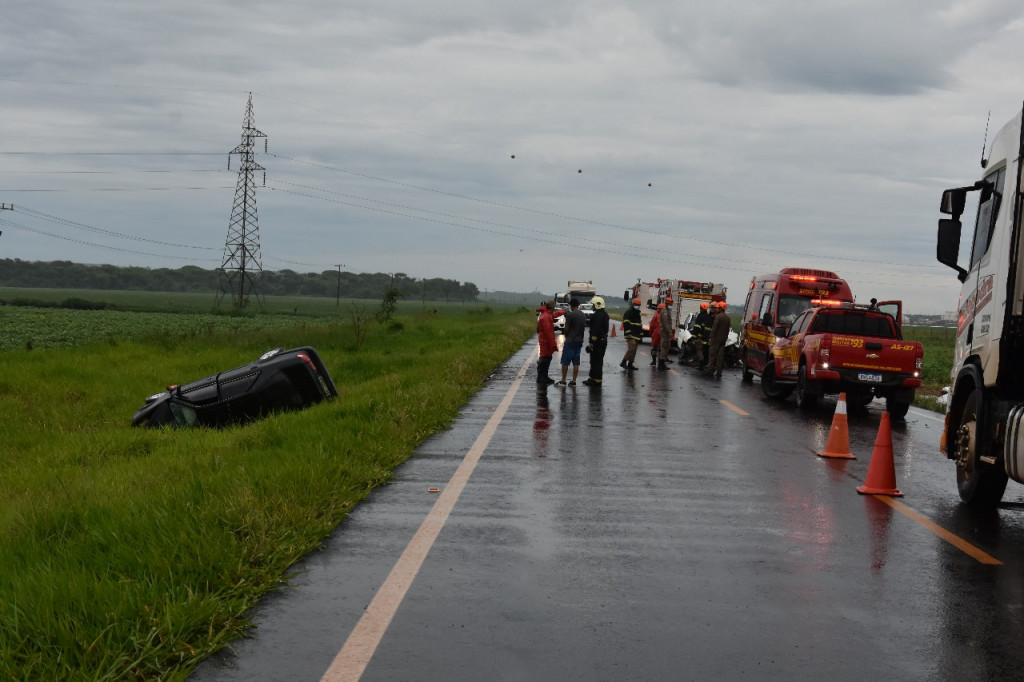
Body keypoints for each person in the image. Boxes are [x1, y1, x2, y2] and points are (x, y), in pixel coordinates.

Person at [556, 298, 587, 386]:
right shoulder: (583, 315)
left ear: (571, 305)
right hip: (579, 341)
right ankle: (573, 381)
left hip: (570, 340)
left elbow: (566, 328)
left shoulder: (570, 315)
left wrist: (565, 333)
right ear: (578, 305)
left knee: (565, 361)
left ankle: (563, 380)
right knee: (576, 362)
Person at [583, 296, 610, 386]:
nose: (592, 306)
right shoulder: (604, 314)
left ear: (597, 305)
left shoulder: (597, 315)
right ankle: (592, 378)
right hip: (602, 340)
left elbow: (596, 330)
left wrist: (592, 343)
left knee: (596, 361)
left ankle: (596, 380)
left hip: (598, 342)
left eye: (593, 304)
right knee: (596, 360)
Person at [707, 301, 732, 379]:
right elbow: (728, 330)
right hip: (723, 340)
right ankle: (719, 372)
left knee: (712, 355)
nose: (716, 309)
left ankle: (710, 370)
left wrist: (711, 337)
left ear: (721, 308)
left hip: (716, 340)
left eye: (718, 308)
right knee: (720, 357)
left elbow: (714, 328)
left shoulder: (718, 317)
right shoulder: (727, 318)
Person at [536, 300, 557, 385]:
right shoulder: (546, 317)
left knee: (547, 358)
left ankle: (544, 377)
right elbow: (548, 333)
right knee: (544, 359)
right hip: (545, 341)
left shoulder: (545, 315)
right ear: (552, 307)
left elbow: (555, 314)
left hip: (545, 340)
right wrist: (553, 344)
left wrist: (564, 311)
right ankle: (541, 377)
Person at [620, 297, 643, 371]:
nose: (638, 306)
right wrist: (628, 332)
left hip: (636, 334)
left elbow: (639, 324)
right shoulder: (628, 312)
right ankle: (623, 361)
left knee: (634, 349)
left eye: (639, 305)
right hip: (630, 334)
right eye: (636, 305)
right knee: (632, 347)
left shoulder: (638, 314)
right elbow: (626, 323)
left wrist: (641, 333)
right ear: (633, 305)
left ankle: (630, 363)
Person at [693, 302, 712, 369]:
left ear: (701, 308)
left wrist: (694, 336)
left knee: (699, 350)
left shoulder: (700, 316)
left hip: (700, 337)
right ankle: (704, 364)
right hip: (706, 337)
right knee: (705, 351)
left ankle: (701, 365)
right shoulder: (708, 316)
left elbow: (697, 327)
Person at [657, 296, 673, 371]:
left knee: (666, 347)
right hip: (665, 332)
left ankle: (662, 363)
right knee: (664, 347)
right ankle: (661, 364)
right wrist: (669, 332)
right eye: (669, 304)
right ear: (666, 304)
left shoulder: (667, 311)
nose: (670, 305)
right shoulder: (664, 312)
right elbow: (666, 323)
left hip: (666, 332)